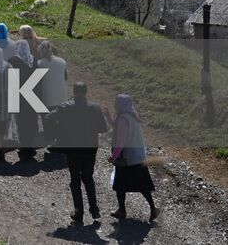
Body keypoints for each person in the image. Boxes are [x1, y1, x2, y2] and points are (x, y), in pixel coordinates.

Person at [49, 82, 108, 225]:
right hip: (90, 147)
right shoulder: (95, 107)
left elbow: (49, 117)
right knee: (88, 177)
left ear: (74, 92)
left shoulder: (65, 107)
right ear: (86, 92)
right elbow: (103, 128)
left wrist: (57, 132)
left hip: (73, 148)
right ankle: (94, 209)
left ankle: (78, 212)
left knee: (75, 179)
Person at [108, 94, 157, 223]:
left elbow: (121, 141)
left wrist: (113, 157)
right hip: (138, 156)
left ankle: (122, 210)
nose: (114, 105)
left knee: (119, 185)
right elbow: (119, 130)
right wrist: (109, 119)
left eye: (116, 103)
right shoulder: (132, 116)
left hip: (127, 158)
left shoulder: (123, 119)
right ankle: (153, 208)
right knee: (142, 185)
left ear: (120, 105)